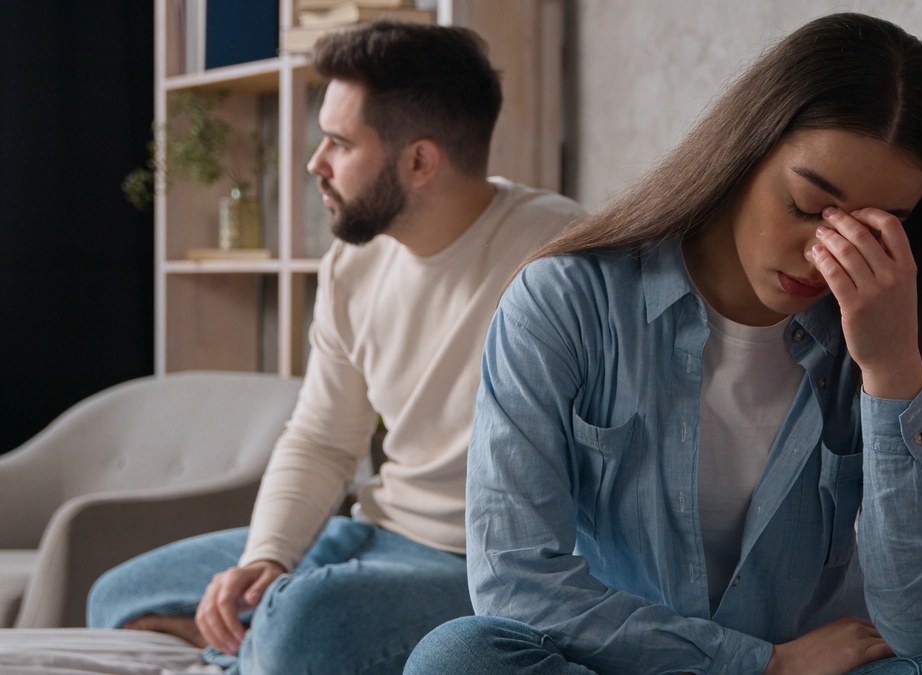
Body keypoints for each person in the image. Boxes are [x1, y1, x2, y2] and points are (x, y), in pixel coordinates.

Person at [406, 12, 922, 675]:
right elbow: (516, 584)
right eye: (809, 206)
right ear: (745, 153)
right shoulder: (566, 301)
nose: (826, 255)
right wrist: (762, 664)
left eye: (876, 230)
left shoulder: (896, 336)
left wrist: (892, 371)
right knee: (459, 659)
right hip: (638, 667)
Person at [86, 20, 582, 674]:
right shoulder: (352, 263)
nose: (315, 162)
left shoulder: (563, 254)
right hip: (377, 534)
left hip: (485, 567)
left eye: (339, 143)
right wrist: (268, 556)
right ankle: (267, 651)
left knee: (303, 619)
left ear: (420, 161)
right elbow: (322, 438)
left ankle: (265, 649)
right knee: (117, 594)